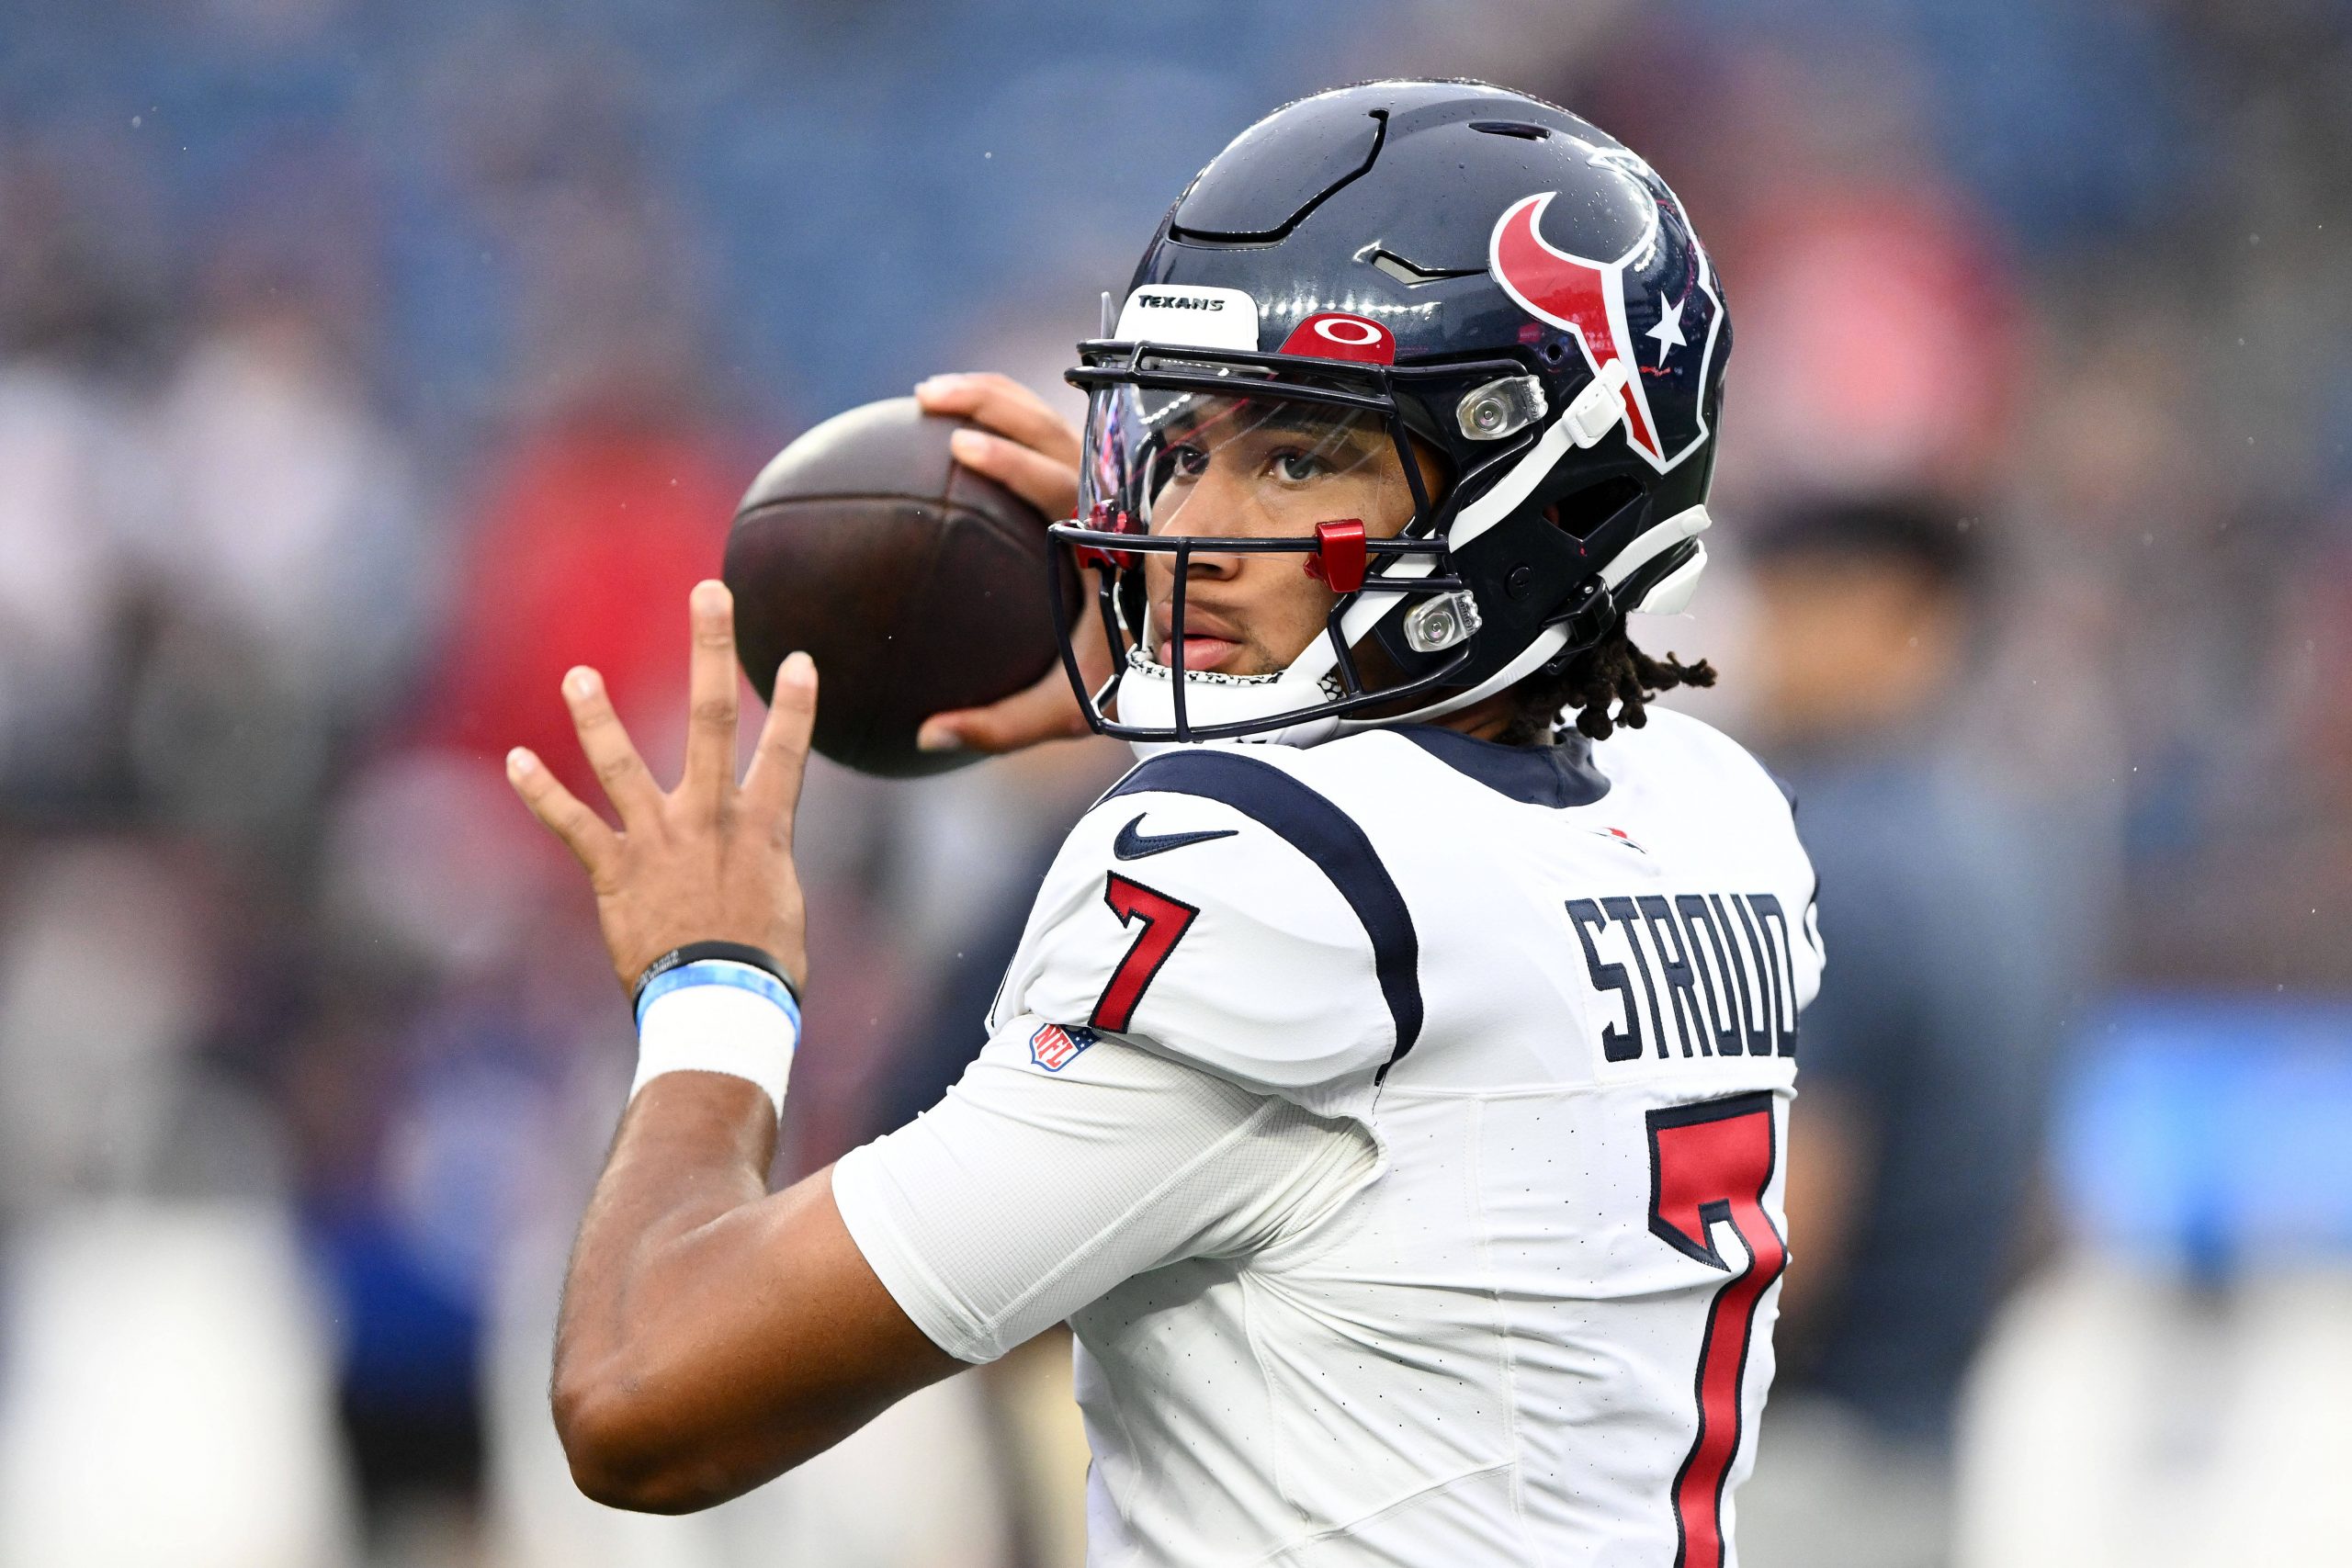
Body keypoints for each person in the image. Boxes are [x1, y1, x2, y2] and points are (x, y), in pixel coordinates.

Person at [506, 82, 1823, 1565]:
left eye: (1300, 455)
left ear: (1542, 480)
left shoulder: (1264, 868)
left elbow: (646, 1399)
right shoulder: (1710, 809)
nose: (1187, 528)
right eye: (1182, 451)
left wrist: (713, 989)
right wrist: (1197, 650)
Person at [1730, 494, 2070, 1568]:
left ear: (1904, 617)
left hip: (1790, 1472)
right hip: (1920, 1461)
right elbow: (2047, 1218)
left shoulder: (1829, 858)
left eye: (1804, 603)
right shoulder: (2010, 851)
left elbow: (1791, 1228)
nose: (1767, 640)